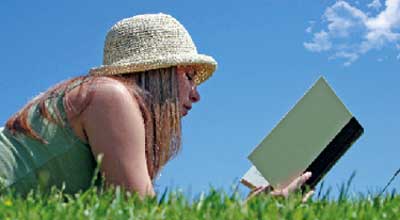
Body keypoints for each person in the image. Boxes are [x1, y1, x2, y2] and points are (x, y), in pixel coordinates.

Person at [0, 13, 312, 199]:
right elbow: (140, 215)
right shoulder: (111, 96)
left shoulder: (95, 97)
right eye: (188, 76)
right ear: (158, 72)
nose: (196, 94)